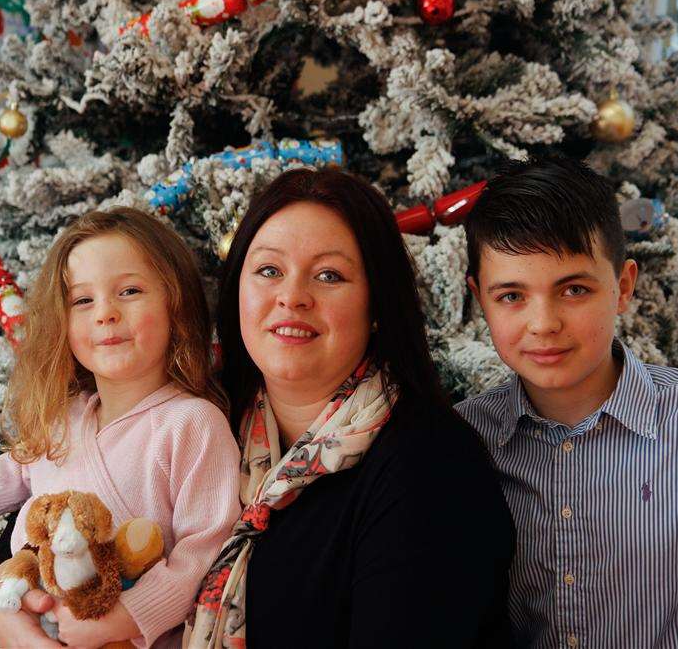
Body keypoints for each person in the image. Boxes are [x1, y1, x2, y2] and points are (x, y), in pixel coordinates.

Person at [456, 156, 678, 647]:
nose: (544, 323)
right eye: (511, 295)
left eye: (573, 289)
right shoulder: (463, 441)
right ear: (479, 299)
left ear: (623, 287)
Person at [185, 167, 515, 648]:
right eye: (269, 270)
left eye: (328, 276)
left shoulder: (429, 465)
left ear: (377, 304)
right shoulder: (204, 430)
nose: (292, 297)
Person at [0, 208, 241, 648]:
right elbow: (17, 467)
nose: (106, 313)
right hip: (41, 623)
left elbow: (204, 551)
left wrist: (128, 616)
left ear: (176, 305)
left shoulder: (193, 424)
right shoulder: (66, 416)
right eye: (83, 300)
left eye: (129, 291)